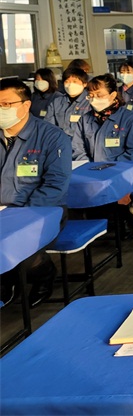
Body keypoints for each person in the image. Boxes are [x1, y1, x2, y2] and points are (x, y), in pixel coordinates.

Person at [0, 78, 72, 306]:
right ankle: (7, 281)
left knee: (23, 250)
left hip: (40, 210)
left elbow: (55, 184)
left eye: (6, 104)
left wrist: (22, 213)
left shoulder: (51, 136)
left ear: (26, 105)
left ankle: (43, 274)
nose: (1, 110)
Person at [72, 74, 133, 162]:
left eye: (99, 95)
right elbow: (78, 149)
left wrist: (112, 167)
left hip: (122, 168)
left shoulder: (129, 118)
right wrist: (89, 165)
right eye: (91, 96)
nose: (94, 99)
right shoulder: (84, 120)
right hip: (91, 168)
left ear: (113, 95)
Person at [45, 67, 91, 139]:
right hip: (60, 141)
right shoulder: (56, 102)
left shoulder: (91, 102)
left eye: (75, 81)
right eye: (67, 82)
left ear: (85, 84)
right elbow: (49, 125)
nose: (70, 85)